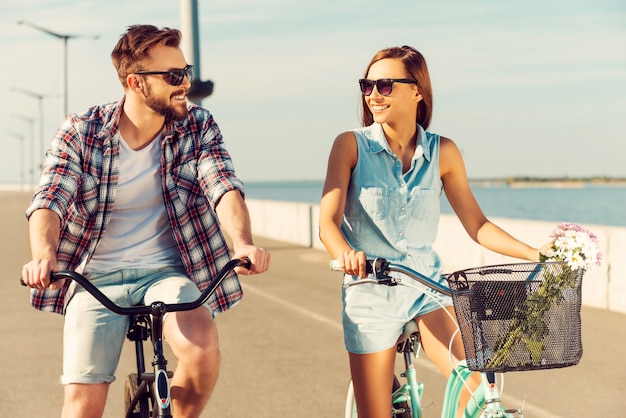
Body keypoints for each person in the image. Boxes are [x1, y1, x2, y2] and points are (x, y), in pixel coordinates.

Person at [21, 24, 270, 418]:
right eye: (173, 76)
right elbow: (50, 200)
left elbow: (221, 184)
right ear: (136, 83)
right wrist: (44, 256)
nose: (184, 83)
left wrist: (242, 243)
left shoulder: (197, 125)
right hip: (95, 278)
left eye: (184, 72)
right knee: (83, 403)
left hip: (167, 274)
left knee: (201, 350)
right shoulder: (82, 132)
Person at [318, 45, 547, 418]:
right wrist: (345, 252)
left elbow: (478, 224)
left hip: (428, 287)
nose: (373, 94)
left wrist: (536, 255)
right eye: (368, 85)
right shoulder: (350, 146)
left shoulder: (444, 152)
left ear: (417, 90)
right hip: (370, 291)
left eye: (386, 85)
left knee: (478, 392)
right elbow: (328, 221)